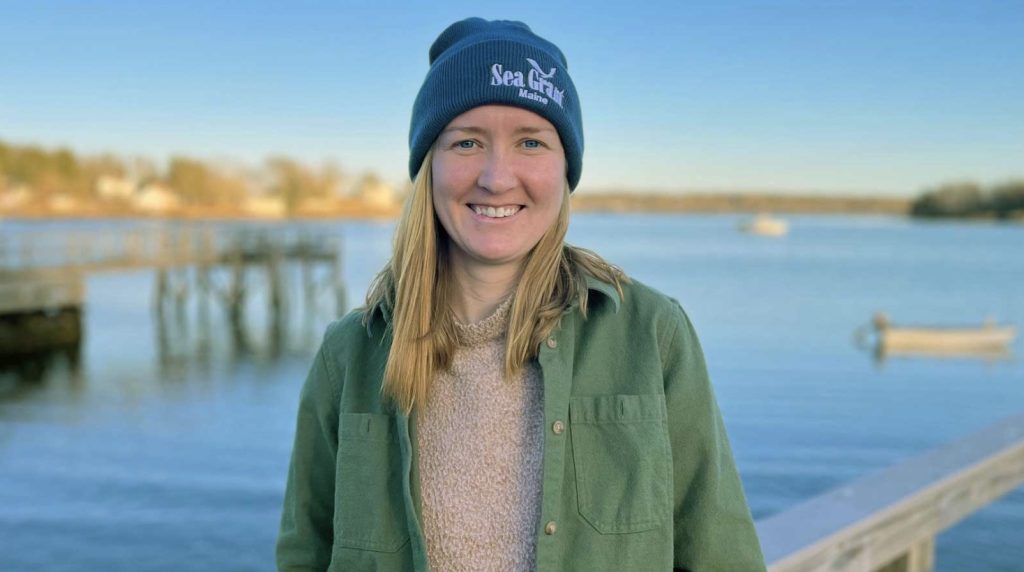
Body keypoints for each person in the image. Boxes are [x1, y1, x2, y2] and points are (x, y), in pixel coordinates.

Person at [276, 17, 765, 571]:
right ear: (427, 167)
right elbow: (305, 552)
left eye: (531, 142)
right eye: (466, 142)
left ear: (565, 168)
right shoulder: (350, 353)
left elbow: (722, 557)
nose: (496, 176)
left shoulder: (651, 334)